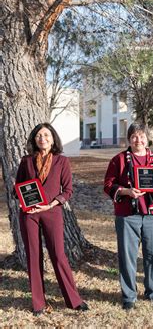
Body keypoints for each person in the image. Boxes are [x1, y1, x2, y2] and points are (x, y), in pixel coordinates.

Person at [15, 123, 89, 315]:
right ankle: (38, 303)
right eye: (39, 135)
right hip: (29, 214)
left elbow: (68, 190)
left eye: (46, 135)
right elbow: (18, 187)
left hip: (52, 211)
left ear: (53, 138)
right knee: (33, 256)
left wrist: (52, 203)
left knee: (58, 255)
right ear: (34, 139)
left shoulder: (61, 161)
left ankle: (73, 300)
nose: (43, 139)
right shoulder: (26, 161)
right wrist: (24, 199)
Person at [104, 123, 153, 310]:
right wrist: (126, 191)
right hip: (128, 215)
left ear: (147, 138)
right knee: (127, 256)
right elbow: (108, 185)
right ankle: (129, 295)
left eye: (142, 136)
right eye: (134, 136)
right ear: (129, 139)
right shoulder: (118, 160)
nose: (138, 140)